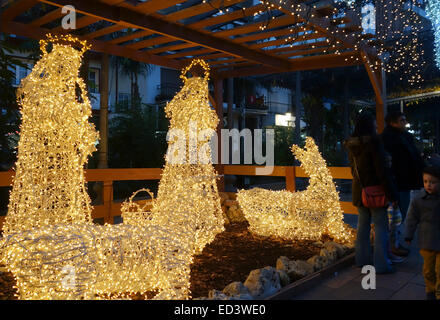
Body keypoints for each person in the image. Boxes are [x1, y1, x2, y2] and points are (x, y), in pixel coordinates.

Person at [344, 112, 399, 274]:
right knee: (381, 227)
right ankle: (381, 265)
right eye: (374, 123)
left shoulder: (351, 145)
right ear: (369, 125)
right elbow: (382, 171)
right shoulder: (374, 142)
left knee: (362, 226)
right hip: (376, 192)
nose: (376, 126)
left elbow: (353, 170)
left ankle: (361, 261)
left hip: (359, 192)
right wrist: (392, 194)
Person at [381, 111, 424, 257]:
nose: (405, 122)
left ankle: (393, 244)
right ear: (393, 122)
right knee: (396, 216)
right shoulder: (389, 139)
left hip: (403, 182)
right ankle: (393, 245)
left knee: (399, 215)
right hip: (397, 183)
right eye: (402, 120)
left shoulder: (402, 137)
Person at [404, 166, 440, 300]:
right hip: (427, 241)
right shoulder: (418, 200)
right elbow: (411, 218)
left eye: (432, 182)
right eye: (425, 181)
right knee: (428, 270)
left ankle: (438, 292)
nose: (428, 185)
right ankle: (430, 290)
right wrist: (408, 235)